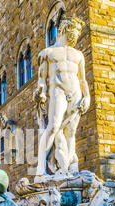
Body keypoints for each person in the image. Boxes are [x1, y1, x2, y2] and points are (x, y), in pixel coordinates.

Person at [34, 14, 90, 177]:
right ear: (64, 29)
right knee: (53, 127)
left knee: (71, 132)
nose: (76, 34)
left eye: (79, 32)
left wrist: (87, 97)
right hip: (57, 92)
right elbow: (42, 79)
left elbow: (82, 79)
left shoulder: (78, 55)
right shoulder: (47, 53)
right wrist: (41, 93)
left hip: (75, 93)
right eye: (74, 30)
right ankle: (40, 170)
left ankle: (69, 169)